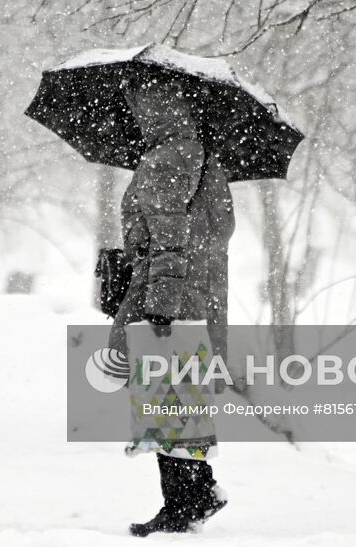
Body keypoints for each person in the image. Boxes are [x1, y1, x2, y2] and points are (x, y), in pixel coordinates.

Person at [107, 72, 235, 536]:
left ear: (156, 107)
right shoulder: (204, 158)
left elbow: (169, 237)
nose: (135, 116)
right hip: (198, 296)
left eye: (138, 104)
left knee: (166, 400)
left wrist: (157, 298)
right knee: (182, 397)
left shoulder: (164, 160)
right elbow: (211, 233)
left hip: (169, 298)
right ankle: (199, 493)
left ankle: (184, 505)